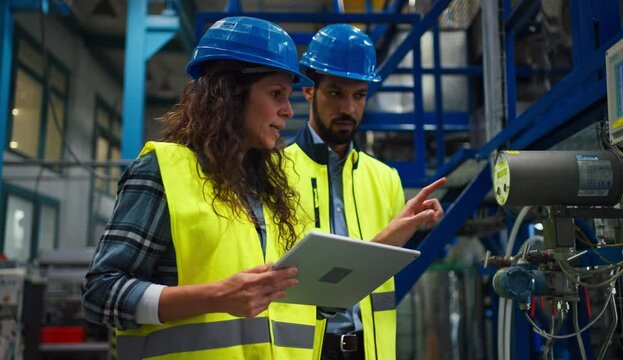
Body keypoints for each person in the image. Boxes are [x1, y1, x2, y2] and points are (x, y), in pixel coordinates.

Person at [82, 17, 319, 360]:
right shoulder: (164, 171)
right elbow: (100, 294)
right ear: (232, 95)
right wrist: (217, 296)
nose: (287, 110)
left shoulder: (265, 188)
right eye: (276, 94)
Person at [283, 24, 446, 360]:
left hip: (369, 350)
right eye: (336, 93)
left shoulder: (386, 179)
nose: (349, 108)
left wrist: (413, 227)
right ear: (309, 91)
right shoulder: (274, 171)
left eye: (359, 95)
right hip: (299, 351)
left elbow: (378, 271)